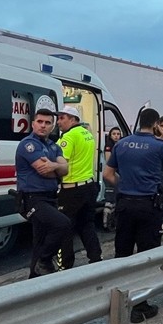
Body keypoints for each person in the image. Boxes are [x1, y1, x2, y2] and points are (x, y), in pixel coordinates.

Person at [103, 107, 163, 322]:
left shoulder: (121, 144)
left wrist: (125, 187)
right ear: (157, 124)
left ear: (139, 121)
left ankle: (118, 301)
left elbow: (107, 174)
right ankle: (140, 307)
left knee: (122, 254)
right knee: (146, 255)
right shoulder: (158, 146)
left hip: (125, 205)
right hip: (148, 207)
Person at [14, 101, 71, 277]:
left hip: (50, 197)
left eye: (47, 123)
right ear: (33, 123)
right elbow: (44, 171)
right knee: (63, 224)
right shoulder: (28, 144)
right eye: (40, 122)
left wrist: (54, 166)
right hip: (33, 198)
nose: (43, 125)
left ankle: (34, 280)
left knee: (40, 241)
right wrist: (57, 168)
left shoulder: (52, 145)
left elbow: (66, 169)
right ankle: (45, 260)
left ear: (52, 126)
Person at [56, 105, 102, 269]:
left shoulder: (68, 138)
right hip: (88, 186)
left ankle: (65, 267)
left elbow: (61, 163)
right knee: (87, 225)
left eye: (63, 118)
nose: (59, 122)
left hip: (71, 190)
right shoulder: (87, 134)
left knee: (64, 228)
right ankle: (96, 259)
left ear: (73, 119)